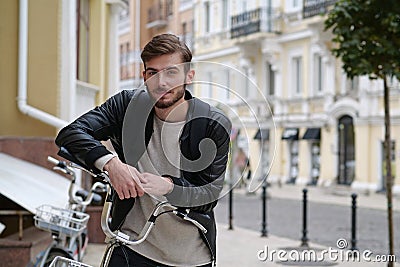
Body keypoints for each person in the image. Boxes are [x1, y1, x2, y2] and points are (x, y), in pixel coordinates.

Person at [55, 33, 231, 267]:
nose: (162, 82)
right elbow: (71, 133)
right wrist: (111, 163)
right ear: (144, 76)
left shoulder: (212, 124)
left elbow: (208, 195)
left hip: (189, 256)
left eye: (171, 72)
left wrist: (169, 186)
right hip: (130, 244)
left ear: (189, 76)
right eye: (153, 73)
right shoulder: (127, 106)